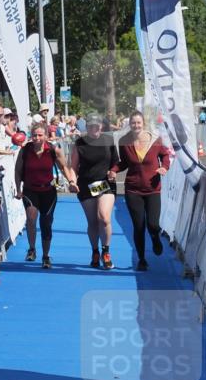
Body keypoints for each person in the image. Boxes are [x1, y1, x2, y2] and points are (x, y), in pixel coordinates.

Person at [109, 111, 170, 271]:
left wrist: (164, 167)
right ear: (130, 125)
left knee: (153, 224)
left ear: (143, 124)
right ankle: (142, 259)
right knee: (139, 226)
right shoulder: (124, 141)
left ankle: (155, 238)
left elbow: (165, 156)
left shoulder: (155, 140)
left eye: (138, 123)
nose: (136, 126)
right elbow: (123, 163)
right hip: (133, 189)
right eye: (133, 123)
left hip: (153, 188)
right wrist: (114, 170)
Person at [14, 120, 77, 269]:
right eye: (34, 135)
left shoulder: (53, 150)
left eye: (40, 135)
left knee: (46, 224)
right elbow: (17, 171)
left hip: (48, 191)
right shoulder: (25, 150)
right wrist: (18, 189)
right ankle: (32, 248)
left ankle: (46, 256)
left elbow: (64, 167)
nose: (37, 138)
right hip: (30, 190)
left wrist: (71, 182)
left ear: (46, 136)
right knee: (31, 218)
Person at [70, 114, 120, 269]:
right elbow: (73, 167)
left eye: (97, 125)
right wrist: (72, 181)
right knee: (92, 222)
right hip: (86, 185)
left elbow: (116, 163)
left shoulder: (108, 141)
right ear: (87, 127)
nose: (94, 128)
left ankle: (106, 252)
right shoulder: (79, 143)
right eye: (91, 125)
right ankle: (95, 251)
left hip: (105, 184)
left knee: (104, 218)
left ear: (101, 126)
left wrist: (113, 171)